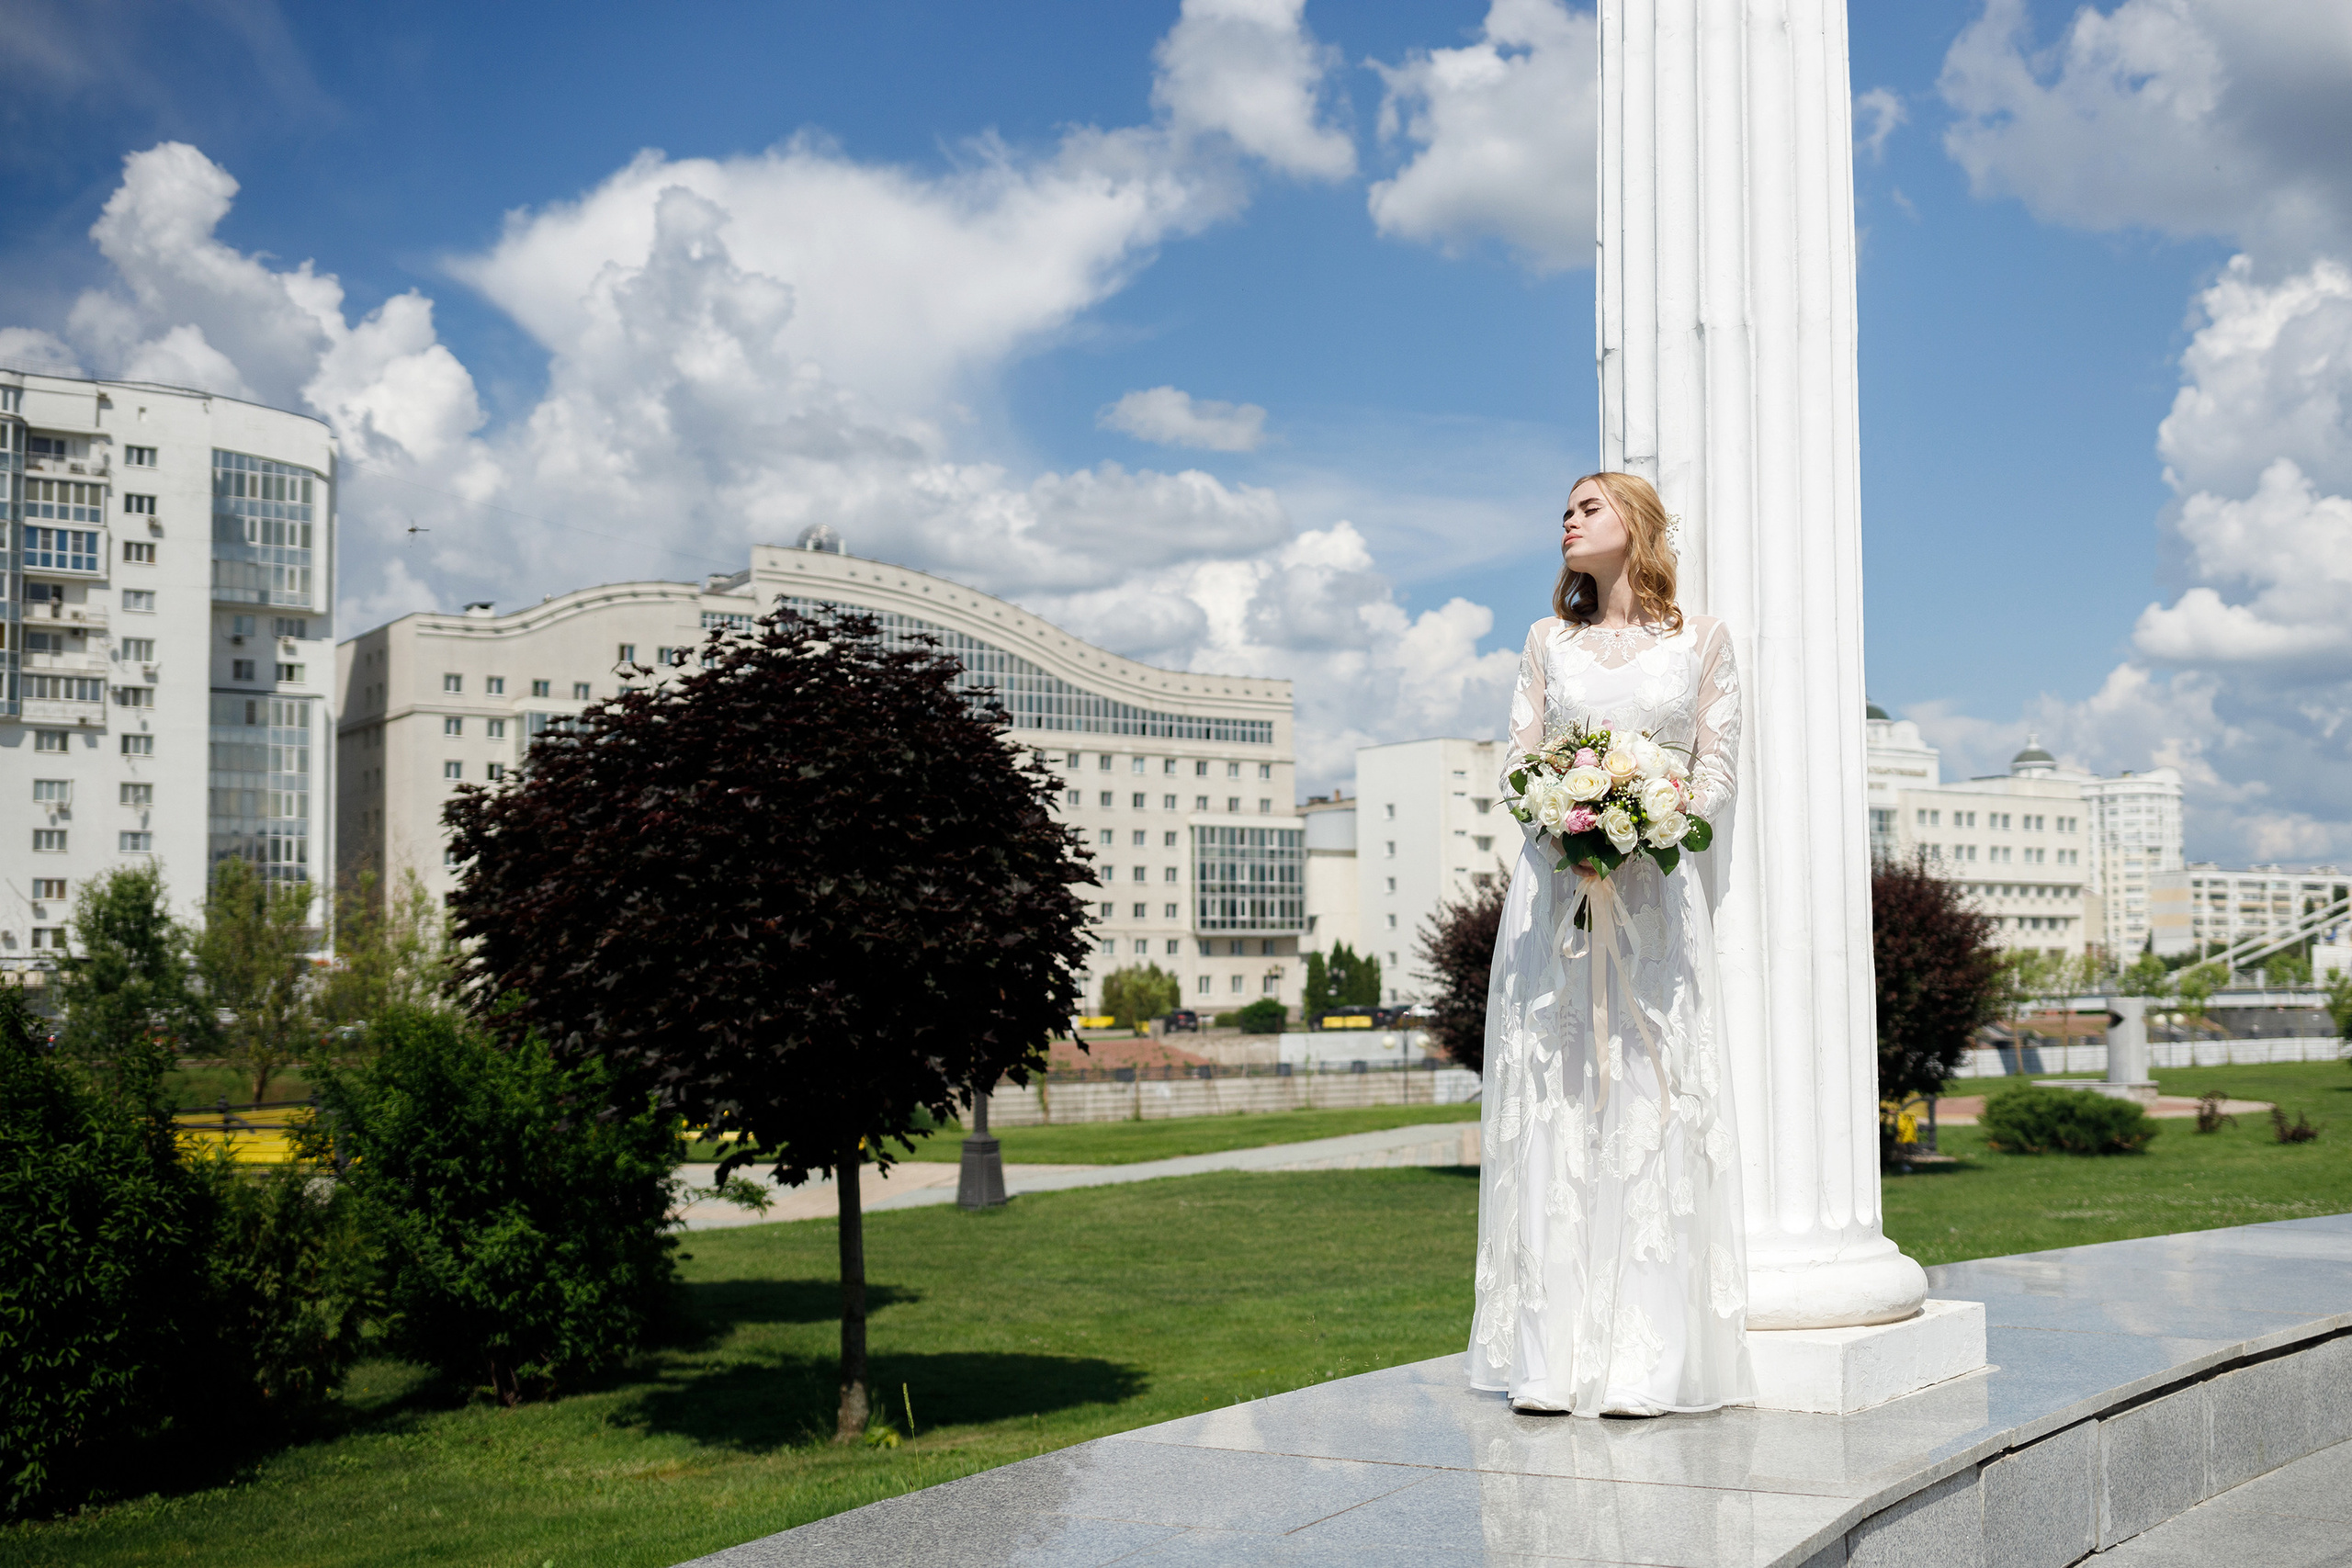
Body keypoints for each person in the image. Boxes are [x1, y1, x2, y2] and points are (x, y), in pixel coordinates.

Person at [1467, 470, 1754, 1417]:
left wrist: (1650, 819)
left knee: (1648, 1098)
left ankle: (1646, 1362)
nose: (1566, 519)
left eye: (1587, 507)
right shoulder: (1547, 642)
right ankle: (1548, 1359)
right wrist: (1568, 821)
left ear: (1634, 525)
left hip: (1653, 899)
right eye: (1563, 508)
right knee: (1554, 1096)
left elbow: (1714, 769)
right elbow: (1517, 762)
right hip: (1555, 895)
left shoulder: (1700, 641)